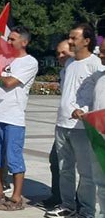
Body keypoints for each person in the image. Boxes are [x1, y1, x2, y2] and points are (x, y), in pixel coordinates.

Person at [46, 24, 103, 218]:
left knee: (86, 172)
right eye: (69, 37)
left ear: (87, 41)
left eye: (74, 38)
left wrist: (86, 112)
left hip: (82, 127)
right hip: (62, 124)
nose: (70, 41)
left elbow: (99, 95)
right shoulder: (69, 63)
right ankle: (67, 205)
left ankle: (87, 211)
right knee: (64, 168)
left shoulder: (95, 64)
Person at [0, 26, 39, 210]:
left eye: (13, 39)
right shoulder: (2, 59)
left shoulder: (30, 62)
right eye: (8, 39)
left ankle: (16, 197)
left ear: (24, 42)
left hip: (13, 117)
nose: (8, 42)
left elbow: (9, 83)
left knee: (13, 157)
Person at [36, 40, 74, 209]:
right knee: (56, 160)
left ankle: (77, 200)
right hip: (63, 123)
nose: (60, 57)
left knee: (78, 166)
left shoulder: (85, 67)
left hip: (79, 126)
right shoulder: (64, 72)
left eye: (63, 53)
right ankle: (58, 195)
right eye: (58, 53)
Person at [82, 45, 105, 218]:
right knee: (101, 182)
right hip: (99, 136)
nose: (100, 54)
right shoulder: (100, 78)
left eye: (104, 50)